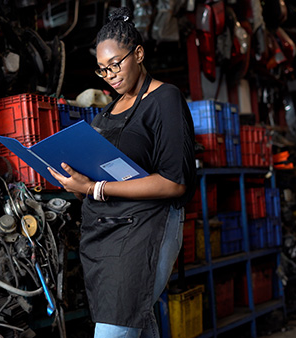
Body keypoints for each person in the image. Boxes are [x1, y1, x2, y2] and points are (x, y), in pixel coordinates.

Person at [48, 6, 196, 338]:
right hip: (103, 237)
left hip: (146, 230)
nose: (111, 75)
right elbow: (89, 183)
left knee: (117, 326)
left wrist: (95, 189)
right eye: (103, 70)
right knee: (137, 323)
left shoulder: (165, 99)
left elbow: (174, 182)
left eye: (116, 64)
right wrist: (73, 181)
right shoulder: (105, 114)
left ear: (139, 53)